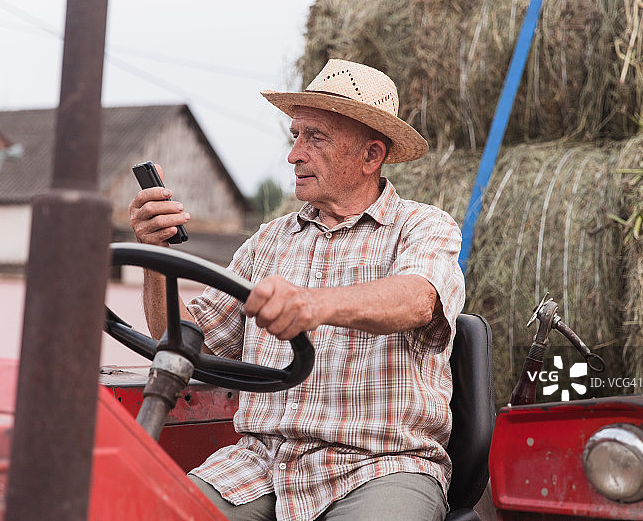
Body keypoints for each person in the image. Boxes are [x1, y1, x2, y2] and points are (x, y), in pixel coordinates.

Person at [128, 59, 465, 521]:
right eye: (296, 136)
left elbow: (418, 298)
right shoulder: (268, 241)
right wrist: (156, 254)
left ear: (371, 156)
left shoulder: (422, 227)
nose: (294, 155)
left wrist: (313, 305)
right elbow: (182, 337)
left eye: (316, 138)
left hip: (381, 465)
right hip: (262, 464)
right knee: (147, 512)